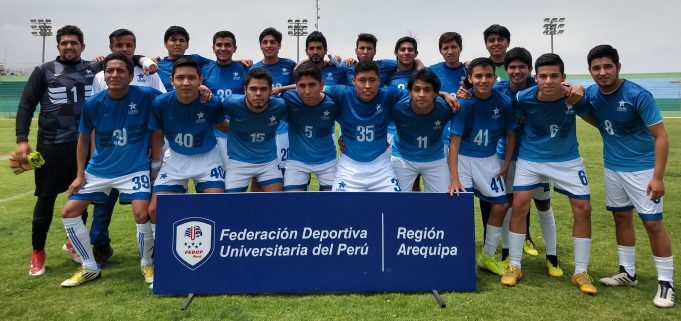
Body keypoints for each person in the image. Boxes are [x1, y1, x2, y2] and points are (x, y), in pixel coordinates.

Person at [58, 52, 160, 287]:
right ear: (104, 75)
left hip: (134, 169)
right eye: (110, 71)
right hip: (99, 170)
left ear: (131, 75)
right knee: (69, 212)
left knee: (141, 213)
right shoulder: (94, 103)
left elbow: (174, 97)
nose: (114, 75)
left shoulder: (145, 96)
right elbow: (83, 139)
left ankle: (147, 262)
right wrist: (80, 174)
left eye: (120, 71)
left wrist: (202, 89)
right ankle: (89, 266)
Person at [585, 45, 674, 308]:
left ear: (618, 67)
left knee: (652, 223)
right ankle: (628, 272)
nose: (602, 72)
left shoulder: (638, 94)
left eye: (607, 67)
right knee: (621, 218)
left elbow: (661, 137)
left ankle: (666, 283)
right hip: (612, 167)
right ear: (590, 71)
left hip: (642, 168)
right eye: (596, 68)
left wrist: (658, 177)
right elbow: (593, 117)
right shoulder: (592, 93)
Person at [501, 53, 596, 296]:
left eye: (554, 75)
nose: (548, 80)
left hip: (567, 159)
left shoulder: (574, 97)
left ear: (563, 77)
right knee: (519, 205)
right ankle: (514, 265)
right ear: (536, 78)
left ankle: (581, 271)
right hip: (531, 159)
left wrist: (581, 89)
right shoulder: (523, 97)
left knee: (583, 209)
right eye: (543, 76)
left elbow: (593, 112)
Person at [15, 25, 100, 276]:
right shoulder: (44, 71)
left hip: (83, 146)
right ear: (58, 46)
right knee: (45, 198)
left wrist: (147, 60)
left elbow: (127, 59)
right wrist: (22, 139)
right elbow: (26, 105)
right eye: (64, 43)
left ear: (82, 46)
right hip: (49, 146)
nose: (69, 47)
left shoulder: (94, 69)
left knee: (80, 199)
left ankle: (73, 243)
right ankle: (38, 252)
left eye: (74, 43)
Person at [88, 28, 165, 267]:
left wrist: (156, 150)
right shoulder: (103, 76)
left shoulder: (148, 71)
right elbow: (94, 116)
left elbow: (162, 105)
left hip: (139, 152)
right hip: (108, 152)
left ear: (135, 47)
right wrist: (94, 154)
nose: (124, 49)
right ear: (111, 48)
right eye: (119, 45)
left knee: (145, 205)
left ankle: (152, 252)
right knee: (102, 203)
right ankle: (100, 245)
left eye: (129, 45)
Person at [495, 48, 562, 277]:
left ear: (530, 70)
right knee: (508, 204)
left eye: (522, 67)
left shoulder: (541, 85)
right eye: (512, 67)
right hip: (506, 156)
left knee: (543, 204)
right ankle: (506, 253)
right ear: (505, 70)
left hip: (536, 157)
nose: (517, 71)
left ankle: (552, 257)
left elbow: (567, 90)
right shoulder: (498, 90)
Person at [448, 57, 515, 276]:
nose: (483, 80)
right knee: (461, 207)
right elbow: (454, 143)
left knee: (501, 205)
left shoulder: (504, 102)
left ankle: (487, 255)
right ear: (470, 78)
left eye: (488, 76)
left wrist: (505, 165)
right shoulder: (464, 103)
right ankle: (458, 255)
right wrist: (455, 177)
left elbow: (511, 135)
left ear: (495, 78)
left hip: (489, 160)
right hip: (465, 159)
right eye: (478, 76)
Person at [148, 57, 225, 232]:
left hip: (207, 158)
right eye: (180, 78)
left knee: (217, 207)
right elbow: (158, 134)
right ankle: (160, 252)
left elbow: (222, 125)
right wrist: (155, 164)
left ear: (200, 80)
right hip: (176, 158)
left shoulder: (211, 102)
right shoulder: (160, 103)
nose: (185, 82)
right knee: (154, 210)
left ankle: (213, 252)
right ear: (171, 80)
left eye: (191, 78)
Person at [222, 68, 287, 192]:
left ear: (270, 90)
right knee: (230, 205)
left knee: (276, 202)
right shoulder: (230, 103)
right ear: (245, 90)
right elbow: (215, 118)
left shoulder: (280, 106)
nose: (258, 93)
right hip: (238, 163)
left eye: (263, 89)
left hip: (268, 163)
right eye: (253, 89)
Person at [391, 68, 454, 192]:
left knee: (443, 202)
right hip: (402, 158)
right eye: (416, 89)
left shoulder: (446, 108)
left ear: (436, 93)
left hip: (435, 159)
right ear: (409, 92)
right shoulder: (398, 108)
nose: (421, 94)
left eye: (427, 90)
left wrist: (447, 94)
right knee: (396, 202)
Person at [279, 62, 340, 191]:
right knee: (292, 203)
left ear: (322, 85)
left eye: (312, 85)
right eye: (302, 86)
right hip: (297, 162)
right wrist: (279, 90)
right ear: (296, 87)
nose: (307, 91)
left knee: (334, 203)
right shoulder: (289, 99)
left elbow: (349, 120)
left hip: (327, 161)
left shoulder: (333, 104)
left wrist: (344, 137)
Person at [252, 27, 297, 185]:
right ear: (260, 46)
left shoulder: (290, 65)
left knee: (286, 173)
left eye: (273, 42)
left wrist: (280, 89)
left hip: (285, 128)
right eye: (265, 42)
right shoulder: (254, 69)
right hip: (263, 129)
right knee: (259, 175)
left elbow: (301, 84)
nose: (269, 45)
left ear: (279, 45)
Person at [201, 30, 249, 170]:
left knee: (236, 175)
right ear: (213, 48)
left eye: (227, 45)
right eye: (219, 45)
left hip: (235, 130)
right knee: (212, 176)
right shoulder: (204, 69)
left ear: (234, 48)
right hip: (212, 131)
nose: (223, 48)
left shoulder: (244, 69)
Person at [156, 26, 213, 92]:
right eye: (173, 40)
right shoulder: (157, 67)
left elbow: (218, 65)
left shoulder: (196, 59)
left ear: (187, 45)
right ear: (165, 44)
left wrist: (201, 85)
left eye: (181, 40)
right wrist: (148, 61)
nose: (178, 43)